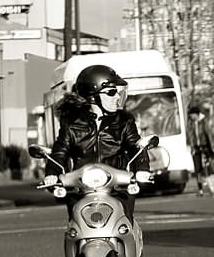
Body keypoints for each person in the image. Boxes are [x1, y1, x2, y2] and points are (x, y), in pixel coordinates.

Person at [43, 64, 150, 221]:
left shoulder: (124, 121)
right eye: (111, 92)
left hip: (117, 188)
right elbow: (60, 151)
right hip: (81, 189)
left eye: (118, 93)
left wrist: (142, 168)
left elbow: (136, 146)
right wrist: (52, 173)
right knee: (75, 228)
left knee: (123, 224)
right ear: (93, 96)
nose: (117, 97)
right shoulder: (72, 123)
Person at [187, 105, 214, 196]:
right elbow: (190, 136)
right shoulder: (191, 123)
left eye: (192, 114)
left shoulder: (203, 122)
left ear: (196, 114)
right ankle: (200, 189)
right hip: (196, 148)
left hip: (204, 147)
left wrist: (211, 148)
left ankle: (211, 187)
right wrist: (191, 147)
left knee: (207, 168)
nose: (191, 116)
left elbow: (208, 134)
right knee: (197, 169)